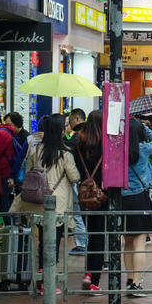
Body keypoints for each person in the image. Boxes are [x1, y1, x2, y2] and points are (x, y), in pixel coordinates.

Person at [11, 114, 80, 294]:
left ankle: (42, 278)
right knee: (54, 243)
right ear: (61, 131)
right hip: (57, 204)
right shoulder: (65, 153)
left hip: (38, 202)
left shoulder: (36, 150)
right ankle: (49, 282)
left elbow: (28, 173)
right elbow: (74, 177)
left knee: (42, 241)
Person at [122, 118, 152, 297]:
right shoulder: (144, 149)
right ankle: (136, 283)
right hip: (139, 197)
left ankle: (130, 279)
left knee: (128, 241)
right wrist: (145, 127)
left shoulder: (118, 150)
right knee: (139, 241)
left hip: (122, 198)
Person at [73, 110, 105, 294]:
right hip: (101, 195)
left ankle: (88, 273)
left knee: (91, 234)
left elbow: (76, 170)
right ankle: (94, 279)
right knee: (99, 238)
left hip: (84, 195)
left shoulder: (80, 144)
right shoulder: (106, 145)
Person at [64, 108, 88, 255]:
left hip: (78, 180)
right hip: (88, 180)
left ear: (77, 119)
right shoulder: (91, 134)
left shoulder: (78, 137)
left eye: (70, 121)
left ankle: (81, 244)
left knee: (77, 212)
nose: (69, 124)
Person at [0, 109, 20, 224]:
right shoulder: (3, 131)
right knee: (5, 205)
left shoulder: (0, 134)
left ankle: (11, 236)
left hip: (2, 175)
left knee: (5, 207)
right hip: (3, 174)